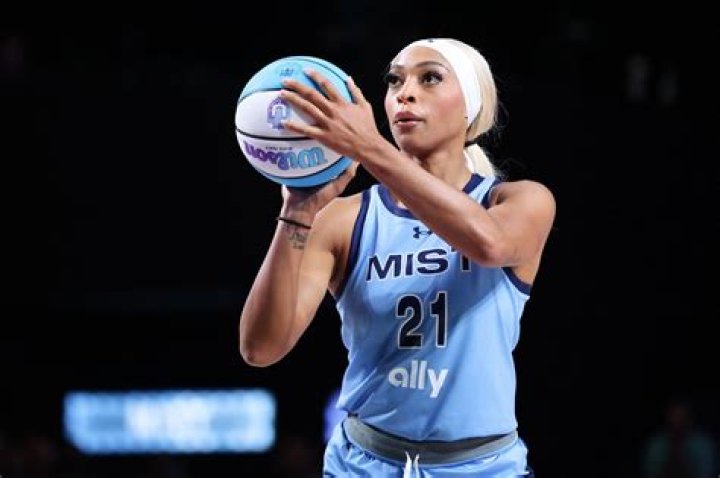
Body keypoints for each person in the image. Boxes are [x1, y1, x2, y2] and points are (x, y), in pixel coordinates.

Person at [239, 37, 556, 476]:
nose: (405, 93)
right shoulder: (344, 218)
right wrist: (296, 213)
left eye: (430, 78)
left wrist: (368, 146)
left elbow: (490, 244)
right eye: (394, 81)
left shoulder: (518, 201)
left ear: (472, 106)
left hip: (483, 465)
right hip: (364, 462)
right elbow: (260, 348)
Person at [641, 398, 717, 478]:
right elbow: (649, 473)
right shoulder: (657, 444)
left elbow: (706, 473)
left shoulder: (702, 444)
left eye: (682, 416)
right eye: (674, 415)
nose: (678, 421)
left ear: (689, 417)